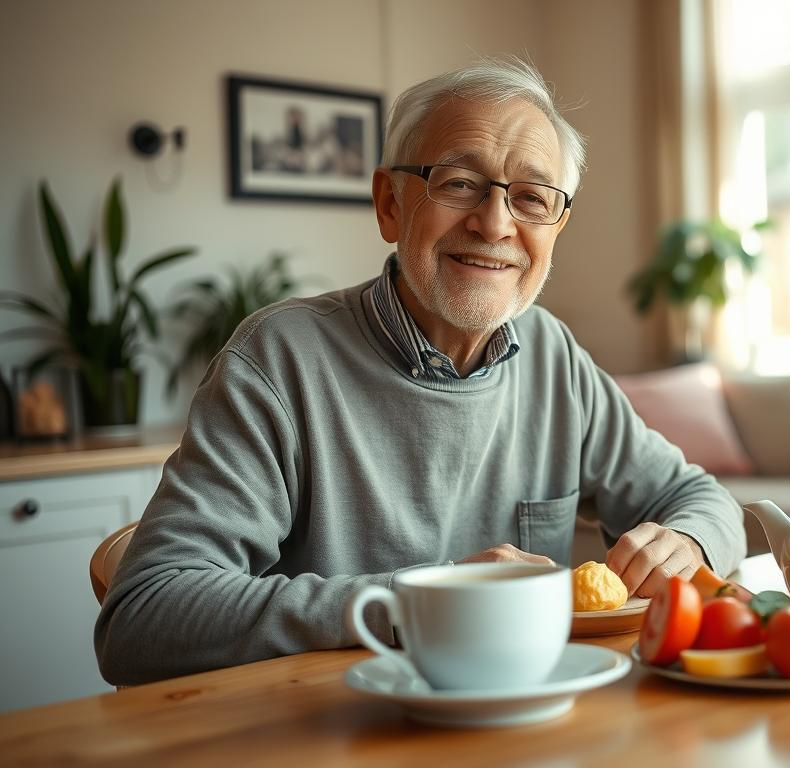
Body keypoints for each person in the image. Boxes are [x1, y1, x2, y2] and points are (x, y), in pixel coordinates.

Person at [94, 57, 746, 685]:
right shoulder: (276, 361)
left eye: (531, 198)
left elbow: (701, 499)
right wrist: (424, 601)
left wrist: (687, 543)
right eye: (458, 183)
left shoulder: (553, 355)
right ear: (389, 204)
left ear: (557, 226)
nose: (495, 223)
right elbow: (144, 620)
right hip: (333, 731)